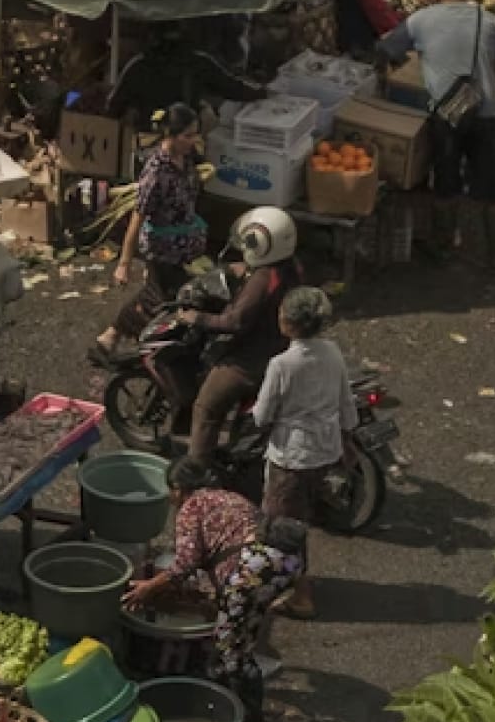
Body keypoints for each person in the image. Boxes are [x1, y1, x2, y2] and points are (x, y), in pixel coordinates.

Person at [121, 458, 306, 722]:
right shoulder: (227, 497)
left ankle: (241, 711)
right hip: (287, 565)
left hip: (252, 569)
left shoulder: (191, 507)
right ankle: (242, 696)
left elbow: (185, 563)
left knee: (228, 646)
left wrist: (148, 588)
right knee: (245, 627)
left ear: (177, 489)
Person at [379, 0, 495, 270]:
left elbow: (387, 50)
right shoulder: (490, 21)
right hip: (487, 112)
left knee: (446, 182)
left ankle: (443, 245)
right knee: (492, 187)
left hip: (446, 114)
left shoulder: (420, 21)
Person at [251, 286, 357, 618]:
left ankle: (300, 594)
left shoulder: (282, 364)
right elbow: (345, 402)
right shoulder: (332, 352)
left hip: (292, 456)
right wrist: (348, 440)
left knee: (282, 526)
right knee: (301, 520)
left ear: (291, 323)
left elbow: (262, 414)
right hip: (326, 450)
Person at [178, 206, 304, 465]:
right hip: (283, 347)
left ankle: (197, 474)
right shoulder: (292, 268)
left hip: (250, 361)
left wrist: (197, 318)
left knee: (206, 407)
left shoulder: (263, 279)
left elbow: (234, 321)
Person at [92, 105, 207, 364]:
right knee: (160, 298)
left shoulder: (187, 159)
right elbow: (138, 216)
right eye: (187, 136)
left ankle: (110, 338)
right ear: (171, 134)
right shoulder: (156, 172)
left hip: (183, 247)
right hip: (162, 248)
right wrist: (124, 263)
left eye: (194, 135)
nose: (193, 141)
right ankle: (125, 341)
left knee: (158, 295)